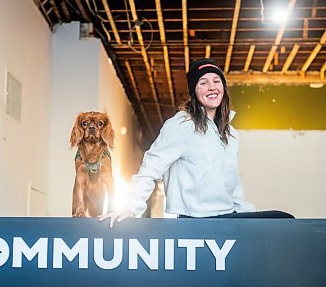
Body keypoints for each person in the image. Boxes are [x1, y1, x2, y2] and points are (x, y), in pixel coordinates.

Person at [100, 58, 292, 227]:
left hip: (228, 217)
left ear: (223, 89)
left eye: (217, 81)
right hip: (195, 220)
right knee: (284, 220)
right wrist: (130, 209)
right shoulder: (181, 125)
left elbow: (233, 186)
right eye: (203, 82)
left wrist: (250, 222)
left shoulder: (230, 134)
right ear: (194, 91)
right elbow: (150, 168)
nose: (212, 87)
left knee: (283, 221)